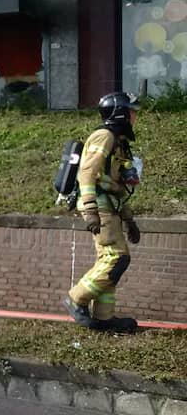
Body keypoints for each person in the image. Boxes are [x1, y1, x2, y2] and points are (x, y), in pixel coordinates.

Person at [63, 92, 143, 333]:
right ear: (120, 113)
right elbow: (87, 173)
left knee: (108, 261)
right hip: (100, 206)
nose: (135, 116)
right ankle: (76, 298)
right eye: (131, 111)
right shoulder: (104, 136)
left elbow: (115, 187)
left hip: (110, 206)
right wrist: (90, 208)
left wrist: (129, 219)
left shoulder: (118, 143)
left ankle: (103, 318)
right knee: (117, 258)